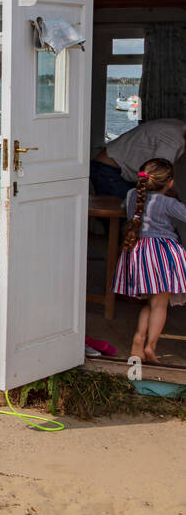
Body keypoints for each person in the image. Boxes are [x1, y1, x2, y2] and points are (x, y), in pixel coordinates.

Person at [111, 158, 186, 364]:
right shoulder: (168, 202)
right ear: (169, 182)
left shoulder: (132, 195)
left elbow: (125, 208)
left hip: (138, 253)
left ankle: (138, 341)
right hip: (162, 255)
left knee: (151, 302)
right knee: (160, 305)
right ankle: (151, 346)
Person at [92, 118, 186, 198]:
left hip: (116, 167)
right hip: (109, 168)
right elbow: (158, 176)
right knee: (128, 213)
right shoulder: (173, 142)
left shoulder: (179, 128)